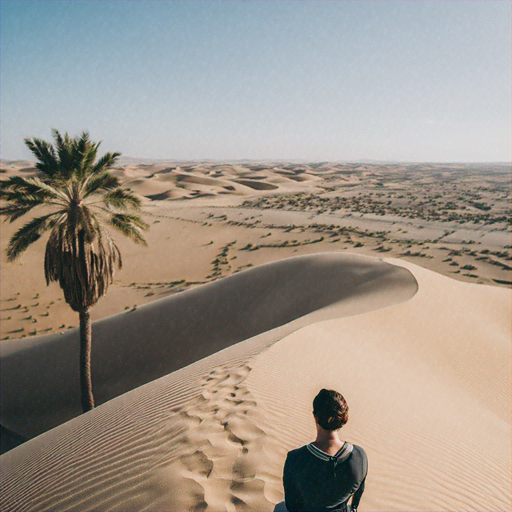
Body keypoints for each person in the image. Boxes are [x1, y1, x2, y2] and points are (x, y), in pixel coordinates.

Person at [282, 389, 367, 512]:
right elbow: (356, 500)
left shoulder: (295, 458)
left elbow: (291, 505)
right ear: (343, 419)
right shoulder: (359, 456)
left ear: (315, 416)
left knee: (280, 507)